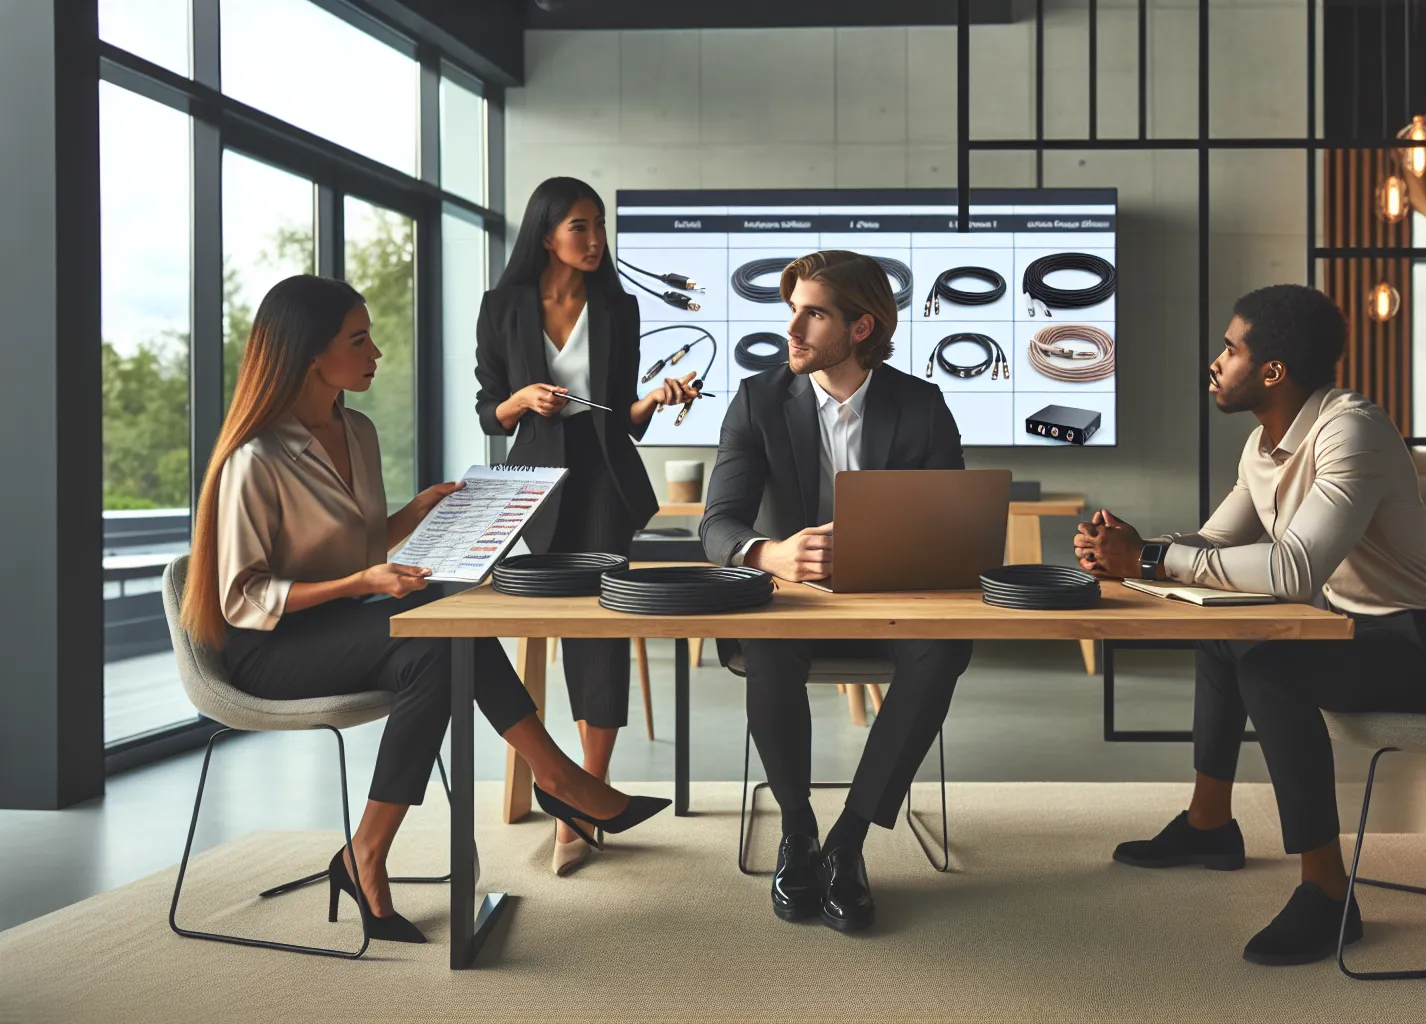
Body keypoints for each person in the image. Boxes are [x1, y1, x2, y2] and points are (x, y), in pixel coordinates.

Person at [184, 274, 668, 943]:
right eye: (359, 340)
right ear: (309, 355)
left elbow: (356, 541)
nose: (376, 351)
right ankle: (555, 777)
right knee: (442, 629)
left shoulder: (356, 431)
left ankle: (372, 853)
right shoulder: (254, 457)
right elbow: (244, 596)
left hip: (341, 626)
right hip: (268, 649)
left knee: (445, 634)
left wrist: (416, 513)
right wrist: (362, 583)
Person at [1075, 284, 1426, 966]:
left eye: (1230, 349)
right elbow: (1207, 547)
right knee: (1223, 631)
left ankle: (1327, 895)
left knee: (1270, 665)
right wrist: (1132, 551)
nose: (1216, 362)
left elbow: (1293, 570)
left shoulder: (1351, 431)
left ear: (1272, 371)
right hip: (1354, 633)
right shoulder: (1263, 446)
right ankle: (1209, 825)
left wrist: (1148, 557)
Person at [700, 250, 972, 933]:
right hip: (791, 605)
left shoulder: (921, 404)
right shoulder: (758, 400)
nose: (792, 329)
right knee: (767, 645)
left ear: (861, 327)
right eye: (791, 311)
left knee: (944, 649)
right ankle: (798, 830)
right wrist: (771, 553)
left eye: (813, 313)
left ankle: (846, 840)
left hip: (891, 608)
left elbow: (955, 527)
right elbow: (717, 525)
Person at [473, 177, 700, 875]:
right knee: (542, 625)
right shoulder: (502, 307)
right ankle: (563, 782)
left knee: (600, 630)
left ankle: (583, 802)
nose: (595, 239)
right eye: (580, 226)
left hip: (604, 478)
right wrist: (518, 398)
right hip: (535, 484)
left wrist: (656, 400)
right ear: (546, 235)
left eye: (598, 225)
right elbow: (488, 411)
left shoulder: (618, 307)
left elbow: (620, 411)